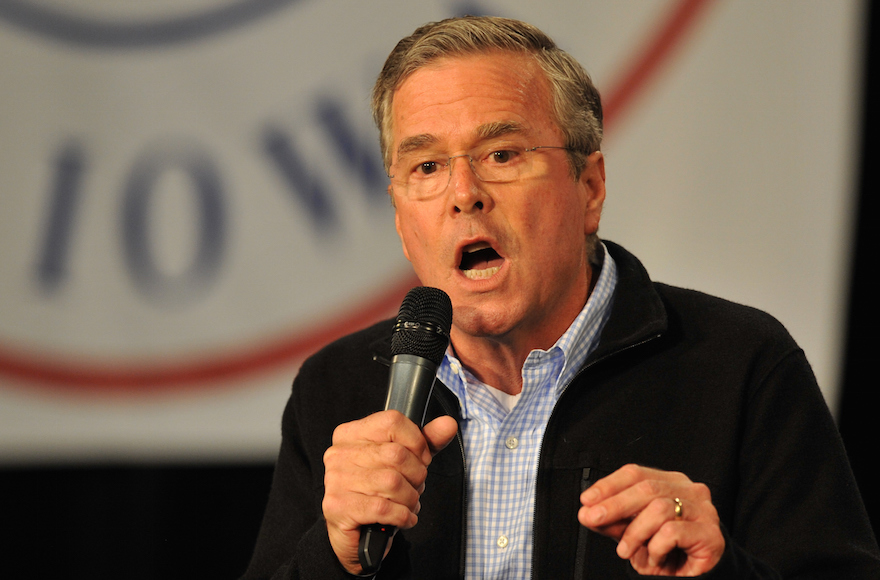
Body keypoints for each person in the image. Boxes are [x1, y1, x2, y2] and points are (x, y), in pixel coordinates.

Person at [242, 15, 880, 579]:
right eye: (427, 167)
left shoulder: (741, 367)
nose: (464, 193)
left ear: (591, 187)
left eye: (501, 153)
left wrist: (716, 571)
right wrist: (333, 557)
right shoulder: (338, 390)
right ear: (401, 218)